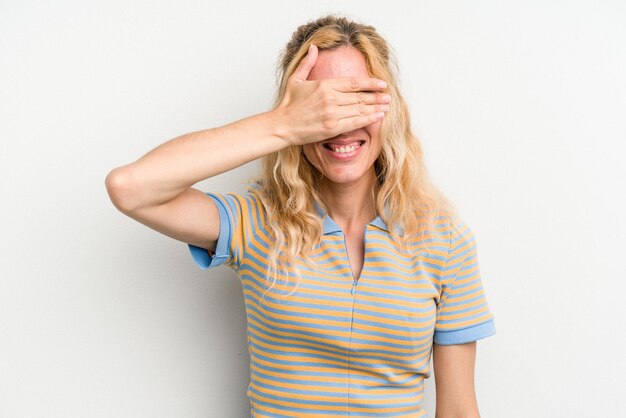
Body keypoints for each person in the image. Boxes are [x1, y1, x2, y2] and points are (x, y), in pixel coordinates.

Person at [106, 14, 496, 418]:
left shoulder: (445, 241)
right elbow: (131, 188)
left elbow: (458, 410)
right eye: (322, 105)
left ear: (389, 109)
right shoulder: (256, 222)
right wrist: (284, 124)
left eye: (357, 99)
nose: (339, 124)